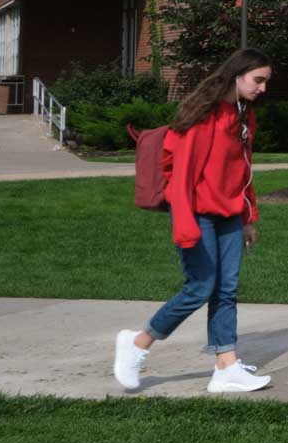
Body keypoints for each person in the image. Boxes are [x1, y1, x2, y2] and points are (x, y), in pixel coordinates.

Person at [112, 49, 274, 395]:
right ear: (236, 75)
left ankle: (226, 367)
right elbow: (181, 179)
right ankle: (137, 343)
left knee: (226, 290)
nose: (263, 88)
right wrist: (185, 227)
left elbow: (243, 173)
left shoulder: (244, 117)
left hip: (230, 214)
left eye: (265, 82)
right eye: (257, 80)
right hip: (197, 214)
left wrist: (248, 217)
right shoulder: (203, 117)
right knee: (200, 287)